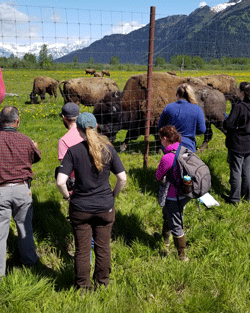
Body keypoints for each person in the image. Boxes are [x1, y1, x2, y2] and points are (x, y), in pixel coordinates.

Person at [56, 112, 127, 290]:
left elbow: (60, 181)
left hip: (80, 208)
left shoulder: (73, 151)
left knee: (82, 249)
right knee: (103, 247)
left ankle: (83, 287)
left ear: (78, 130)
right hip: (105, 206)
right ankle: (102, 283)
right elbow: (122, 178)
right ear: (96, 127)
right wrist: (113, 195)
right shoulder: (109, 149)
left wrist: (68, 197)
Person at [0, 106, 41, 278]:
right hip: (23, 190)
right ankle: (29, 261)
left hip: (1, 190)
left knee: (0, 233)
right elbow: (36, 157)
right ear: (18, 121)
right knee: (25, 228)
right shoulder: (26, 140)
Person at [57, 102, 94, 259]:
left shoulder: (64, 141)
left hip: (77, 189)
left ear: (64, 118)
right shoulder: (92, 134)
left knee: (81, 227)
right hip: (97, 184)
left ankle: (86, 257)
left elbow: (64, 171)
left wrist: (67, 195)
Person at [156, 125, 190, 261]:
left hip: (173, 195)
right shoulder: (185, 150)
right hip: (186, 192)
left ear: (165, 139)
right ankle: (165, 239)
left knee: (176, 223)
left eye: (160, 139)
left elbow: (158, 176)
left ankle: (182, 256)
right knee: (168, 213)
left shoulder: (167, 158)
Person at [223, 82, 250, 204]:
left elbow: (228, 124)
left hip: (237, 143)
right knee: (247, 170)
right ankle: (247, 195)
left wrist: (226, 120)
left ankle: (234, 198)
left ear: (242, 92)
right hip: (249, 143)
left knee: (236, 171)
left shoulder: (239, 107)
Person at [158, 83, 206, 152]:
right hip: (188, 147)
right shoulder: (197, 109)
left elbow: (160, 127)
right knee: (185, 162)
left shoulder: (168, 108)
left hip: (170, 146)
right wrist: (191, 130)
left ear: (177, 95)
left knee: (171, 162)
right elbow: (202, 130)